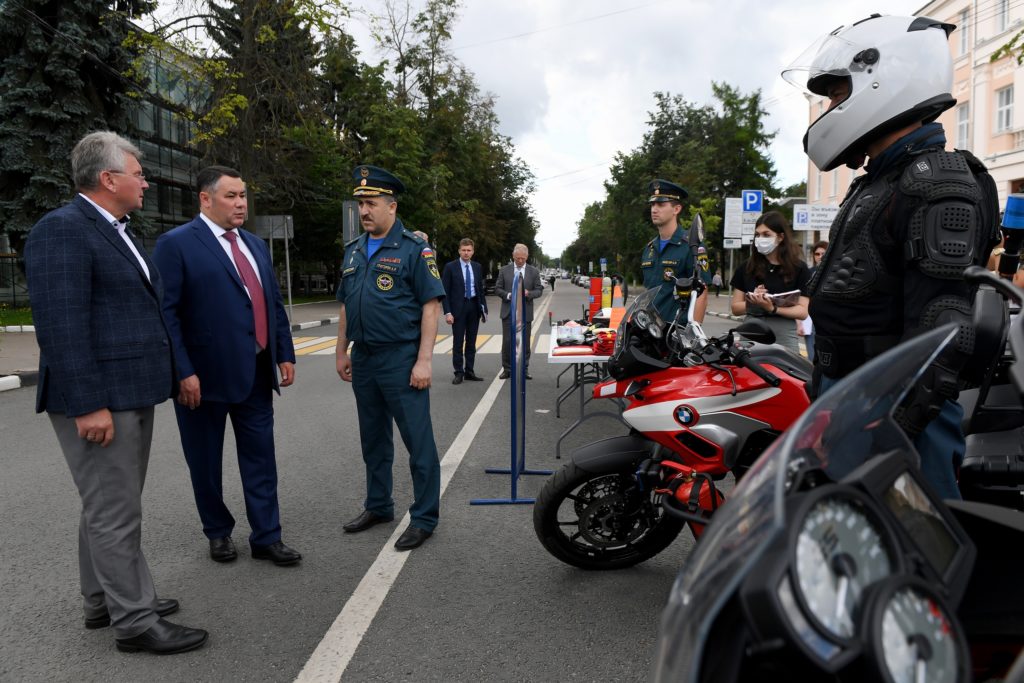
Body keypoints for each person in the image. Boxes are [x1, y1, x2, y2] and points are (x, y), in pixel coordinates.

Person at [783, 14, 1000, 498]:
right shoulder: (882, 179)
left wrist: (891, 429)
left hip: (894, 413)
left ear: (883, 79)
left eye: (838, 94)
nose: (833, 107)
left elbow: (944, 330)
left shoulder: (937, 182)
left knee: (912, 558)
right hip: (851, 398)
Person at [23, 131, 208, 654]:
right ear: (108, 179)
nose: (145, 182)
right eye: (138, 173)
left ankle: (104, 598)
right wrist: (87, 404)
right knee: (115, 510)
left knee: (106, 504)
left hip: (128, 391)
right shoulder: (62, 230)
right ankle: (135, 621)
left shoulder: (114, 228)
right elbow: (61, 325)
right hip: (100, 397)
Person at [153, 166, 301, 567]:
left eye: (243, 196)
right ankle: (217, 532)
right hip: (202, 378)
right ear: (205, 198)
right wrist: (183, 371)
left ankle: (267, 536)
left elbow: (271, 302)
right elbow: (166, 315)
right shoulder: (176, 244)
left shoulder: (255, 244)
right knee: (204, 461)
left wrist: (283, 351)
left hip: (255, 370)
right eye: (231, 196)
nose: (241, 203)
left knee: (261, 458)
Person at [335, 164, 444, 551]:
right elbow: (347, 304)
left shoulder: (415, 249)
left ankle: (425, 516)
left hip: (401, 358)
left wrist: (424, 360)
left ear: (392, 206)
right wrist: (341, 350)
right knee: (374, 440)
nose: (364, 211)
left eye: (372, 203)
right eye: (361, 203)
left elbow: (431, 306)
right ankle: (379, 505)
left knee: (418, 440)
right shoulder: (352, 252)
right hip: (364, 359)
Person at [729, 211, 810, 354]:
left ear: (780, 237)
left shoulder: (799, 268)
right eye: (758, 235)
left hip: (784, 335)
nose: (760, 238)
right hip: (751, 332)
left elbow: (803, 312)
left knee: (785, 373)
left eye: (766, 235)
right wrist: (754, 301)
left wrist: (772, 307)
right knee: (748, 374)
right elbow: (735, 308)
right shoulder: (746, 267)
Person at [641, 179, 708, 323]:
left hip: (675, 332)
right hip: (650, 330)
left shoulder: (692, 246)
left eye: (661, 204)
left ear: (676, 209)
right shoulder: (650, 248)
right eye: (652, 204)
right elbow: (648, 291)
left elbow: (702, 292)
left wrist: (692, 333)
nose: (654, 209)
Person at [442, 237, 488, 384]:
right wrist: (447, 312)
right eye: (464, 250)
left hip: (474, 307)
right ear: (459, 251)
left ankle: (469, 371)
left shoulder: (477, 267)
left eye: (469, 250)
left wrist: (484, 309)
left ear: (473, 251)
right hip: (458, 309)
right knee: (457, 342)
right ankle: (458, 372)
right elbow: (445, 292)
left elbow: (480, 290)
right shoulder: (450, 267)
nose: (466, 253)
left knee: (471, 342)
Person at [495, 244, 544, 380]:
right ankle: (507, 369)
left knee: (525, 342)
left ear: (527, 257)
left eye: (523, 258)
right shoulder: (504, 270)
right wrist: (509, 295)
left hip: (525, 312)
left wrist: (529, 293)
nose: (520, 261)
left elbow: (539, 290)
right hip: (508, 312)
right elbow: (498, 289)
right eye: (518, 258)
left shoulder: (533, 271)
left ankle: (524, 369)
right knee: (507, 342)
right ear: (513, 256)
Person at [796, 240, 827, 360]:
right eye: (817, 254)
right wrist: (799, 322)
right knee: (812, 356)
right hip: (810, 319)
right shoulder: (808, 273)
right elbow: (799, 298)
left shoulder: (836, 273)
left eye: (823, 254)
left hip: (828, 319)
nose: (820, 257)